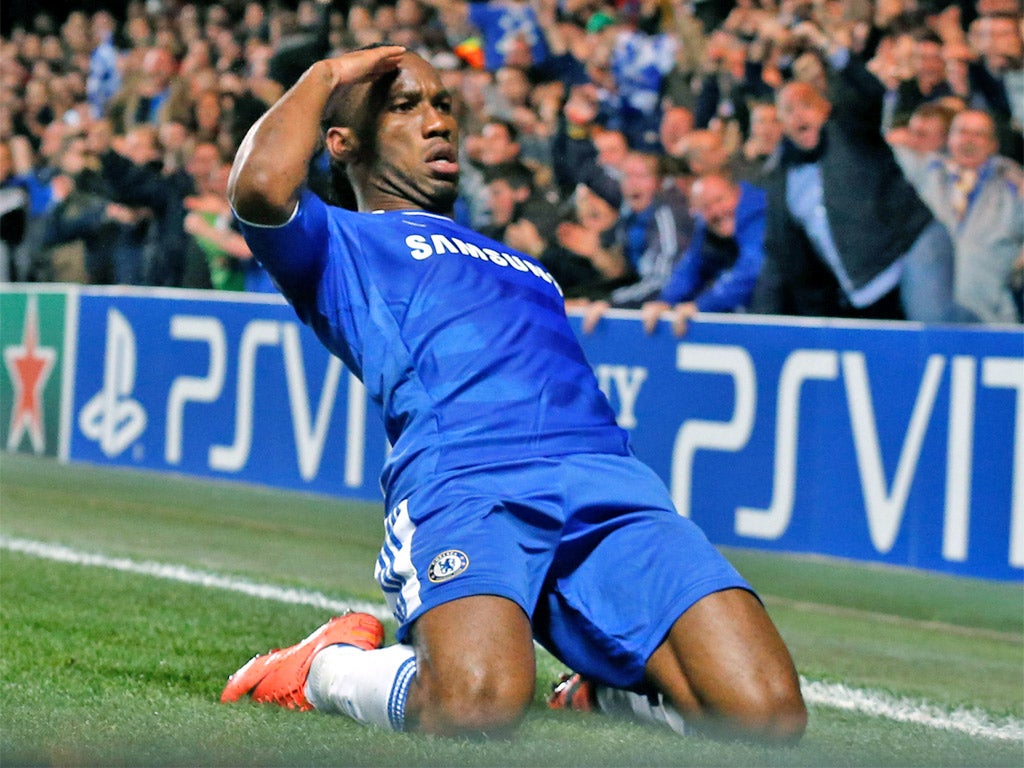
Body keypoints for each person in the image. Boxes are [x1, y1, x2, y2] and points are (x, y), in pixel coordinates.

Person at [219, 45, 806, 742]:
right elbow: (257, 186)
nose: (438, 121)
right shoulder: (337, 241)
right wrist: (326, 77)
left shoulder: (528, 266)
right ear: (341, 142)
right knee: (475, 707)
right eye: (405, 107)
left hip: (609, 480)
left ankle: (605, 696)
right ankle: (329, 665)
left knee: (768, 719)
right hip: (468, 477)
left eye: (443, 105)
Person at [752, 25, 960, 322]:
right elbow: (782, 256)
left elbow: (870, 93)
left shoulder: (850, 128)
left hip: (911, 248)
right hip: (864, 287)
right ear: (781, 123)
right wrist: (763, 321)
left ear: (826, 108)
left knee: (931, 331)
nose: (799, 114)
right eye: (788, 110)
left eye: (807, 105)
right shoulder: (782, 179)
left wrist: (827, 45)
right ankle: (990, 332)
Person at [894, 108, 1023, 324]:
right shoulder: (926, 172)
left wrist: (1015, 268)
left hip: (992, 318)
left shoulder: (1013, 186)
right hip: (928, 317)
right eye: (962, 131)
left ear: (993, 144)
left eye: (979, 134)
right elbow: (880, 149)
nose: (969, 140)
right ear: (948, 139)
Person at [641, 174, 767, 337]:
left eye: (720, 200)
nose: (716, 211)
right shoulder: (705, 226)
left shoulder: (759, 214)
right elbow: (689, 267)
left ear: (737, 193)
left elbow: (750, 271)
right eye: (706, 207)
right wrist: (665, 301)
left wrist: (701, 305)